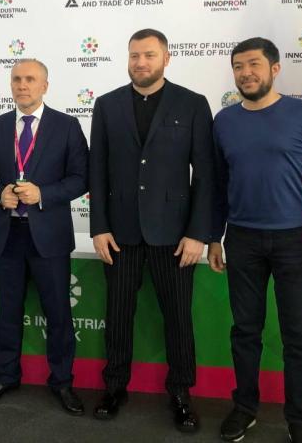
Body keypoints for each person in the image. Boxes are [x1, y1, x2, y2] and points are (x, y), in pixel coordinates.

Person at [210, 38, 302, 443]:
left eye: (254, 64)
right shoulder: (224, 121)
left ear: (274, 68)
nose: (246, 73)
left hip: (295, 241)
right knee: (245, 330)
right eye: (239, 66)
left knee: (299, 337)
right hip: (242, 239)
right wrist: (214, 237)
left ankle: (299, 418)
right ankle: (245, 408)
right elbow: (218, 185)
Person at [89, 29, 214, 432]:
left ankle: (180, 392)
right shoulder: (106, 105)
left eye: (148, 55)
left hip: (175, 235)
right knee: (117, 314)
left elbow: (206, 174)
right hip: (120, 233)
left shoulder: (192, 104)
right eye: (134, 55)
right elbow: (97, 170)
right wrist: (99, 227)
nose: (140, 62)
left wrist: (198, 233)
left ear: (166, 58)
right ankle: (114, 387)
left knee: (178, 317)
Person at [0, 59, 88, 415]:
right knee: (7, 313)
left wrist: (44, 194)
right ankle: (6, 376)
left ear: (45, 86)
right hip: (10, 235)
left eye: (30, 79)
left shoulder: (67, 126)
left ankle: (62, 382)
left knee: (59, 314)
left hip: (50, 237)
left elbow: (81, 178)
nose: (22, 85)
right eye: (16, 79)